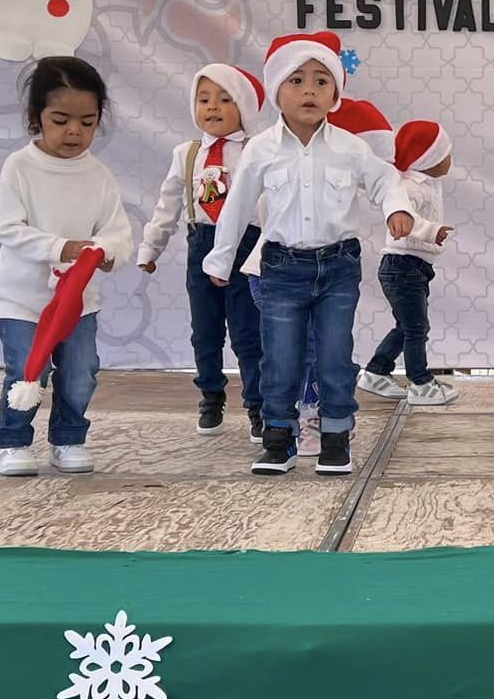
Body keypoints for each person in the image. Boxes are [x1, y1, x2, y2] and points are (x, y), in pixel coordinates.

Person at [206, 33, 412, 477]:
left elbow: (385, 180)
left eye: (321, 81)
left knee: (335, 354)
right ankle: (278, 439)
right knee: (279, 356)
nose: (309, 91)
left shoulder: (349, 147)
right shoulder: (261, 148)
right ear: (277, 90)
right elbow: (237, 206)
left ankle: (336, 438)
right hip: (280, 268)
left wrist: (397, 207)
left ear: (335, 94)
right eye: (296, 80)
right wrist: (220, 261)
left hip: (338, 267)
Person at [0, 57, 133, 476]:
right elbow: (8, 229)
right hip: (21, 297)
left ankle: (68, 440)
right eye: (61, 119)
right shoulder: (20, 166)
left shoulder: (99, 175)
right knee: (26, 369)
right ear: (37, 119)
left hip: (78, 301)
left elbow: (117, 232)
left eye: (87, 122)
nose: (74, 132)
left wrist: (104, 253)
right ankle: (11, 442)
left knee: (81, 372)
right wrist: (62, 247)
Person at [138, 63, 267, 441]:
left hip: (247, 245)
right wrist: (151, 248)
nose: (213, 107)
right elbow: (167, 205)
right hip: (202, 242)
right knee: (205, 331)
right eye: (204, 98)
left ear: (243, 106)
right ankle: (211, 396)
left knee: (249, 332)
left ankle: (258, 405)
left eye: (225, 99)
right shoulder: (187, 153)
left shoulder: (256, 150)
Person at [358, 119, 461, 406]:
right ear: (428, 158)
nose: (450, 159)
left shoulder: (427, 184)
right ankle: (420, 381)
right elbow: (403, 218)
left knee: (407, 325)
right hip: (402, 266)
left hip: (414, 267)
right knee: (417, 328)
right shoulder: (409, 188)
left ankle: (376, 371)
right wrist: (432, 231)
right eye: (446, 154)